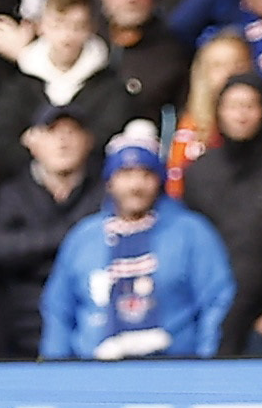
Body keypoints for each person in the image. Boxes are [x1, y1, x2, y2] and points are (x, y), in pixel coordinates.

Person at [43, 125, 235, 358]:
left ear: (159, 180)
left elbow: (217, 301)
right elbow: (58, 310)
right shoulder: (84, 237)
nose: (136, 186)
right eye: (125, 174)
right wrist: (56, 370)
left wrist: (207, 365)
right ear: (109, 181)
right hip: (93, 374)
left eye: (146, 174)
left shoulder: (191, 232)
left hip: (175, 371)